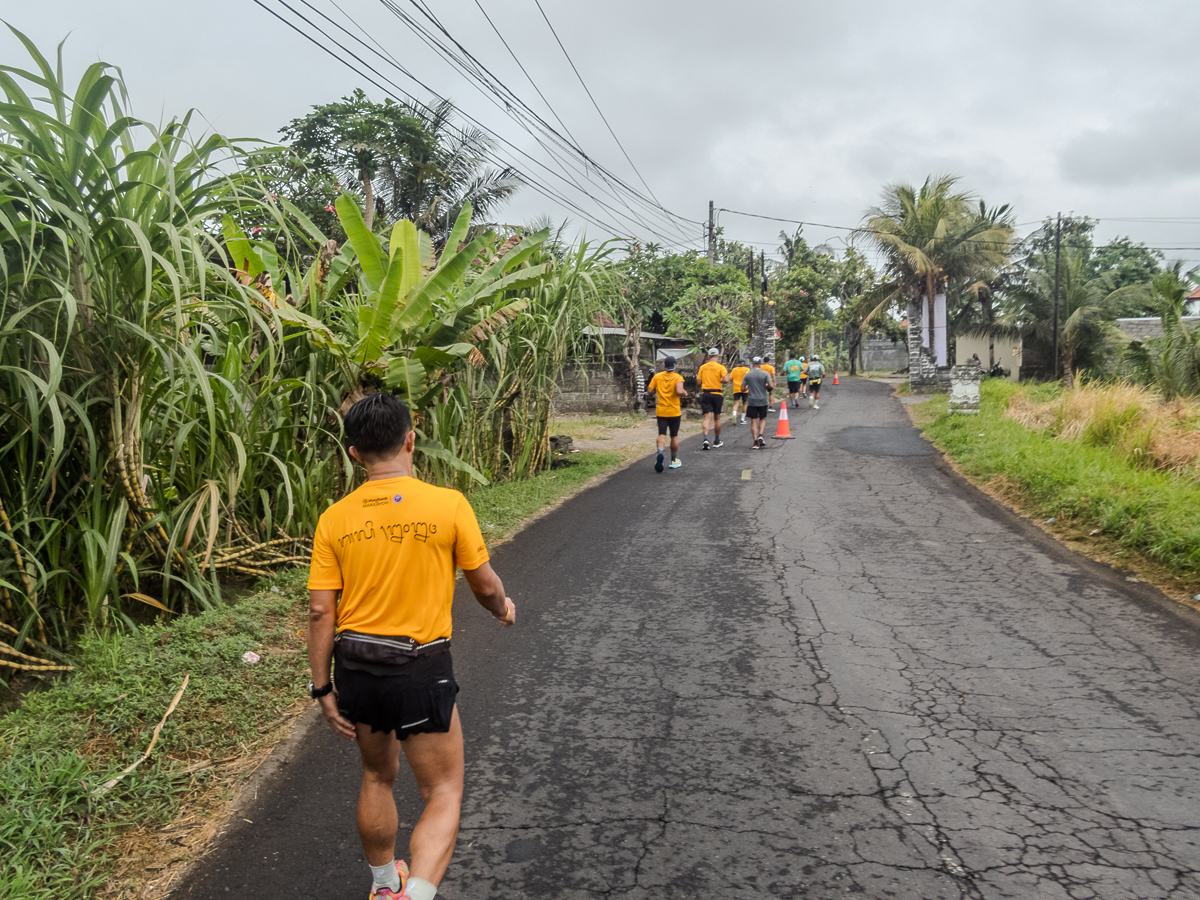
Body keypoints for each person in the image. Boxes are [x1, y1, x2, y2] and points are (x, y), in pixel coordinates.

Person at [307, 393, 516, 900]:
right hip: (421, 668)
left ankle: (384, 885)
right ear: (410, 439)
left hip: (357, 665)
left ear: (355, 453)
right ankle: (416, 896)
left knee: (377, 776)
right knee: (442, 791)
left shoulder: (335, 517)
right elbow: (484, 585)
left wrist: (321, 688)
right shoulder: (448, 505)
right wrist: (503, 608)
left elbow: (320, 611)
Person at [646, 356, 687, 471]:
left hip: (661, 411)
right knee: (674, 436)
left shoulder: (657, 376)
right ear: (676, 366)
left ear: (664, 366)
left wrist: (657, 390)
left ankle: (660, 452)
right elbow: (679, 391)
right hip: (674, 412)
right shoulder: (678, 377)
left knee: (661, 434)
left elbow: (649, 390)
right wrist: (684, 393)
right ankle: (673, 460)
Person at [696, 347, 731, 449]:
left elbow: (699, 382)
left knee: (707, 418)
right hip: (717, 394)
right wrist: (718, 380)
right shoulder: (721, 367)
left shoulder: (703, 367)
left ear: (708, 356)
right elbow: (726, 380)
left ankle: (706, 439)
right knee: (717, 418)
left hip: (706, 393)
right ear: (718, 356)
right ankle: (716, 440)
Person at [742, 357, 774, 449]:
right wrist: (766, 386)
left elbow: (742, 388)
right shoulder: (765, 374)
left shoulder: (747, 374)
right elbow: (771, 386)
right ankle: (760, 435)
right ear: (760, 364)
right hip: (762, 400)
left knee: (753, 421)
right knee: (762, 418)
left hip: (752, 401)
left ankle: (755, 442)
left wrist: (748, 387)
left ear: (752, 364)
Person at [729, 360, 751, 424]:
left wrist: (735, 381)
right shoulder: (747, 369)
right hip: (744, 388)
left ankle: (734, 414)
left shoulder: (734, 369)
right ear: (744, 364)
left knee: (736, 403)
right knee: (744, 404)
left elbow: (730, 379)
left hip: (736, 388)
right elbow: (748, 378)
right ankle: (742, 419)